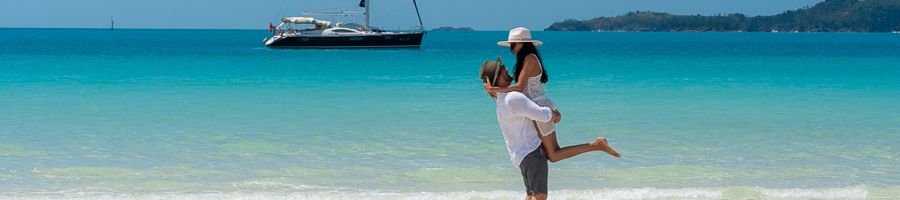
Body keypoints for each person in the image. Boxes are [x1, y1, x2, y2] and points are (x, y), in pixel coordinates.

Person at [485, 27, 620, 163]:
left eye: (513, 44)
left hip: (540, 105)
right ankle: (596, 145)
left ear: (523, 44)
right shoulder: (525, 59)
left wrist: (494, 89)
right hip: (536, 107)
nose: (511, 48)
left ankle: (597, 145)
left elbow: (519, 87)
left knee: (554, 155)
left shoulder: (530, 59)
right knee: (549, 153)